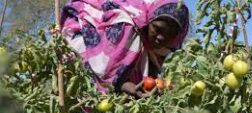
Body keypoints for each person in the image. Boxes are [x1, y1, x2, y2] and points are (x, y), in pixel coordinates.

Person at [60, 0, 189, 98]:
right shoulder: (125, 27)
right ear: (149, 20)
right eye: (157, 29)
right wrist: (129, 87)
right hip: (82, 51)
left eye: (170, 35)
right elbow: (104, 70)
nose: (161, 38)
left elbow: (153, 77)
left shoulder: (164, 47)